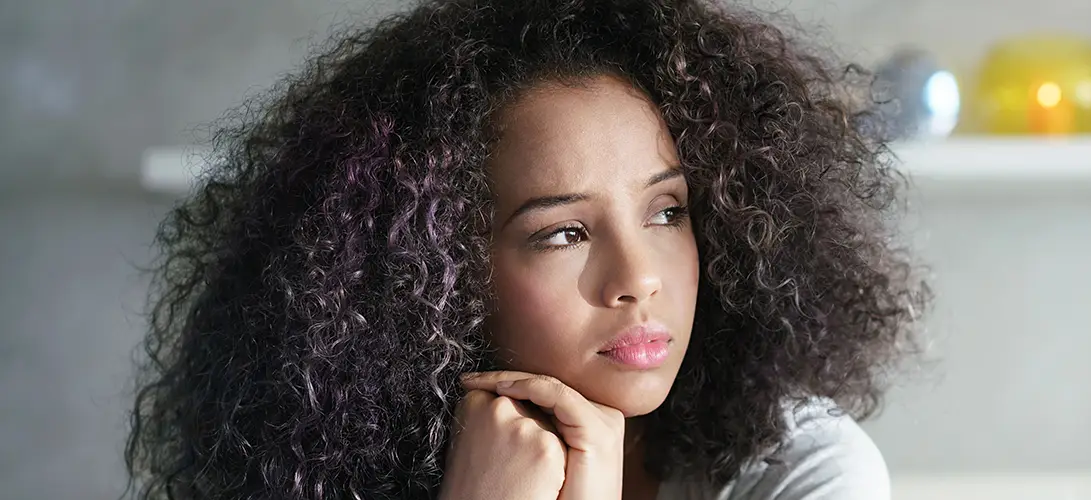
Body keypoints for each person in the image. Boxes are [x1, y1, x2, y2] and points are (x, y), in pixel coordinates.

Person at [124, 0, 927, 499]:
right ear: (428, 275)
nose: (639, 279)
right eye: (565, 232)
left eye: (667, 211)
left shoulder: (802, 472)